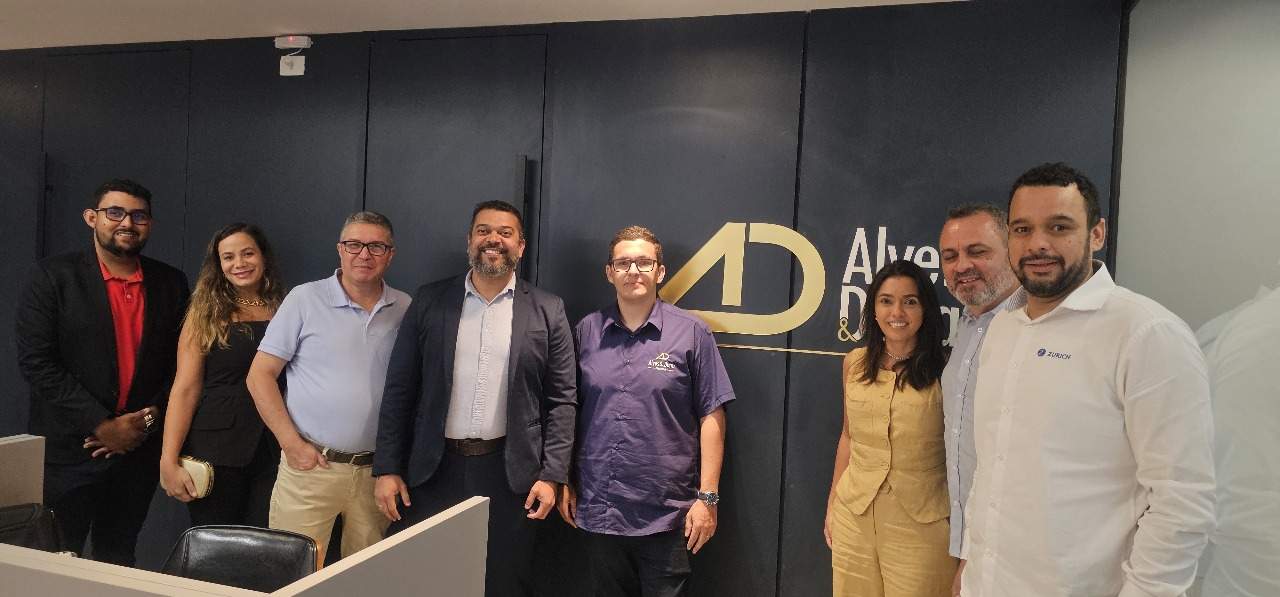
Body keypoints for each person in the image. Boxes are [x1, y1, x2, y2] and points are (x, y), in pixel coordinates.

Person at [961, 162, 1215, 596]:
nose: (1038, 243)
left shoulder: (1146, 333)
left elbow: (1183, 499)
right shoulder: (1003, 328)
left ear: (1097, 234)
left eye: (1059, 227)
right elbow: (992, 471)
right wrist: (972, 567)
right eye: (1022, 229)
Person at [374, 200, 576, 596]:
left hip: (511, 474)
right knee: (429, 582)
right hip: (432, 471)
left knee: (503, 581)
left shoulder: (548, 309)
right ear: (469, 240)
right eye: (484, 231)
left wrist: (552, 475)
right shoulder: (430, 300)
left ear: (521, 246)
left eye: (505, 233)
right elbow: (400, 388)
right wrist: (387, 467)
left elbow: (562, 400)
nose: (493, 239)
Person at [15, 179, 190, 565]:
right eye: (115, 212)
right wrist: (102, 424)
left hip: (138, 453)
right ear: (91, 218)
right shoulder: (53, 277)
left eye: (139, 215)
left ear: (150, 224)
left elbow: (183, 366)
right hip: (70, 452)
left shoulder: (171, 283)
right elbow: (37, 362)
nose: (127, 222)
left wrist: (147, 420)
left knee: (119, 557)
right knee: (58, 562)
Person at [558, 225, 735, 597]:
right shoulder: (586, 332)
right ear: (609, 272)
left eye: (643, 262)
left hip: (668, 514)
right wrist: (563, 478)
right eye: (623, 263)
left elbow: (712, 415)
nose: (633, 271)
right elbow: (567, 410)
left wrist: (708, 498)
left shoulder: (692, 333)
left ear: (660, 271)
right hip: (600, 508)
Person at [246, 211, 410, 565]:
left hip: (376, 474)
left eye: (376, 246)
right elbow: (259, 376)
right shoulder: (305, 299)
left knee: (367, 577)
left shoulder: (405, 307)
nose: (364, 254)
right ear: (340, 249)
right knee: (293, 571)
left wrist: (392, 464)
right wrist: (291, 444)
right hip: (311, 467)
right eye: (354, 245)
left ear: (390, 254)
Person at [825, 259, 954, 597]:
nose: (897, 312)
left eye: (909, 301)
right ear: (874, 309)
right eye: (886, 301)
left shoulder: (947, 368)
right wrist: (833, 504)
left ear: (925, 309)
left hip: (921, 521)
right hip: (854, 514)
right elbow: (848, 436)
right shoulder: (854, 363)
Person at [158, 223, 286, 527]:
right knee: (217, 543)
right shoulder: (204, 313)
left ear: (263, 256)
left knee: (264, 543)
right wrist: (168, 459)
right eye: (228, 257)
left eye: (247, 253)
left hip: (274, 448)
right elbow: (185, 388)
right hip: (216, 450)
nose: (239, 263)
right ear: (219, 265)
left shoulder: (286, 308)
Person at [936, 203, 1021, 596]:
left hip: (1011, 551)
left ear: (1011, 250)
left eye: (977, 251)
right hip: (970, 543)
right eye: (950, 256)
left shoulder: (1034, 326)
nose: (962, 265)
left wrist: (975, 554)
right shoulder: (968, 325)